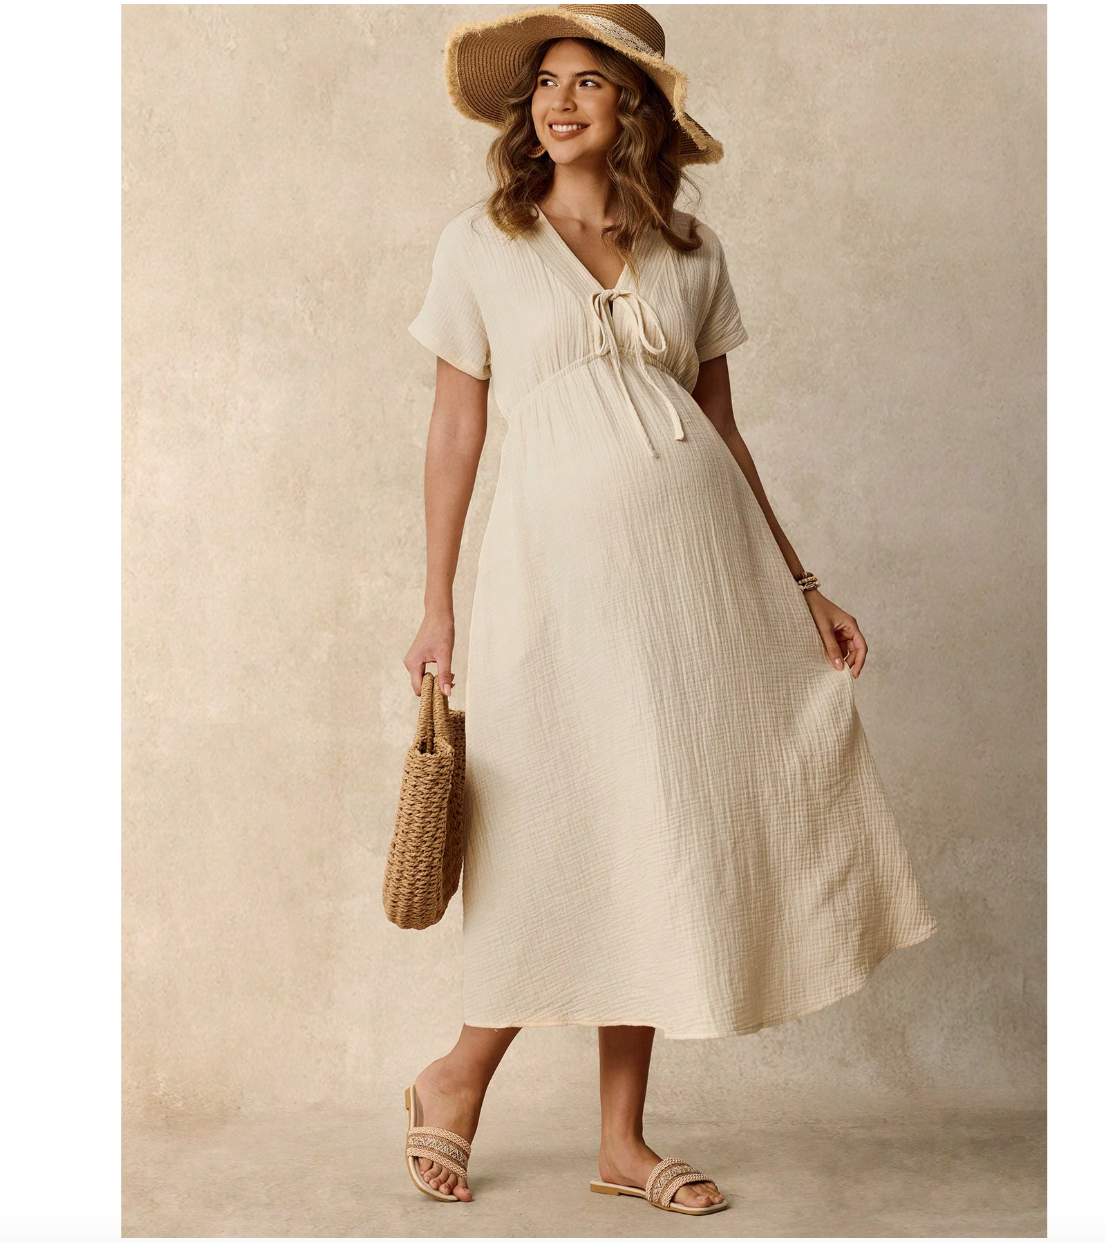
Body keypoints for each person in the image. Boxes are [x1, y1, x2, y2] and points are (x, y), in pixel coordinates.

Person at [398, 3, 938, 1216]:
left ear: (634, 104)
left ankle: (623, 1143)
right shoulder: (481, 243)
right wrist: (435, 602)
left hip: (696, 586)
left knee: (657, 827)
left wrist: (802, 583)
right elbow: (455, 427)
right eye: (546, 82)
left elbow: (724, 431)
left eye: (589, 81)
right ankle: (458, 1075)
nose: (560, 101)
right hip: (552, 582)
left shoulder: (692, 250)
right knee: (547, 829)